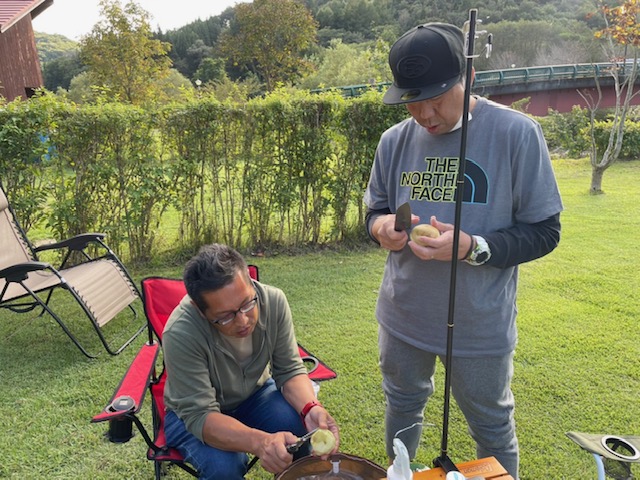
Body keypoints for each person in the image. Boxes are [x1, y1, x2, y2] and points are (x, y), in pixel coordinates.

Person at [364, 23, 563, 479]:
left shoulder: (516, 133)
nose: (425, 113)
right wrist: (381, 228)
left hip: (479, 324)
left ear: (468, 78)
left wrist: (473, 247)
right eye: (413, 100)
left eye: (436, 98)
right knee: (402, 405)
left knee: (491, 427)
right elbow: (376, 208)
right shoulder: (394, 140)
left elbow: (545, 232)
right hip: (403, 315)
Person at [163, 243, 340, 479]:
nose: (243, 321)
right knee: (225, 467)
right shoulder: (180, 332)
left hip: (255, 396)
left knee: (297, 429)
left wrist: (310, 408)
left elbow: (289, 370)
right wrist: (260, 442)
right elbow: (200, 415)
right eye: (225, 316)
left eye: (247, 303)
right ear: (199, 309)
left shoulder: (273, 301)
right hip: (192, 416)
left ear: (249, 278)